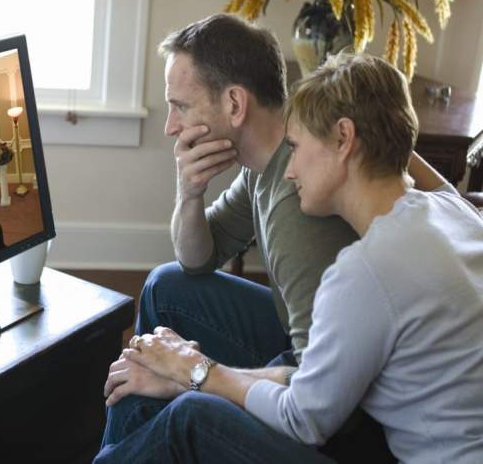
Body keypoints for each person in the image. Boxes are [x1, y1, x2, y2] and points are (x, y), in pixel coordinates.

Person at [96, 53, 483, 463]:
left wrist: (193, 372)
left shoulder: (365, 269)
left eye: (296, 147)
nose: (291, 169)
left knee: (191, 415)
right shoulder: (454, 211)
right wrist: (370, 107)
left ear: (343, 139)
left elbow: (304, 417)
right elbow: (306, 386)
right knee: (167, 339)